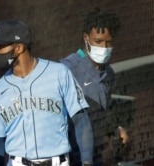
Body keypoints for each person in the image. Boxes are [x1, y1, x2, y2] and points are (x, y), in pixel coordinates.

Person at [0, 19, 94, 166]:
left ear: (19, 48)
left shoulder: (58, 73)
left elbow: (81, 120)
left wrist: (87, 162)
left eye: (0, 46)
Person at [60, 8, 129, 166]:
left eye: (109, 42)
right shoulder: (66, 69)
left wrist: (116, 129)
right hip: (67, 155)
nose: (104, 48)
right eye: (98, 41)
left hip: (93, 155)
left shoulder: (108, 73)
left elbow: (103, 112)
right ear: (86, 38)